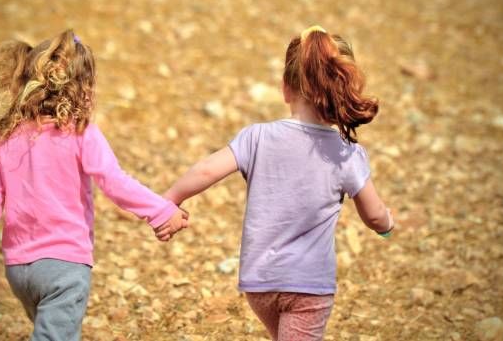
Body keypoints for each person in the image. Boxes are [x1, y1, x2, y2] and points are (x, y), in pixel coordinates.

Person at [155, 26, 394, 341]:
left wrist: (169, 200)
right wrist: (386, 225)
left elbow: (206, 171)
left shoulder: (257, 136)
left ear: (285, 89)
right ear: (342, 88)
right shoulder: (345, 153)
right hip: (308, 286)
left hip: (261, 284)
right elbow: (374, 214)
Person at [0, 29, 188, 340]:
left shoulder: (5, 138)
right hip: (64, 266)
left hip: (19, 270)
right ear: (84, 89)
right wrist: (160, 212)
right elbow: (113, 181)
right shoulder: (80, 131)